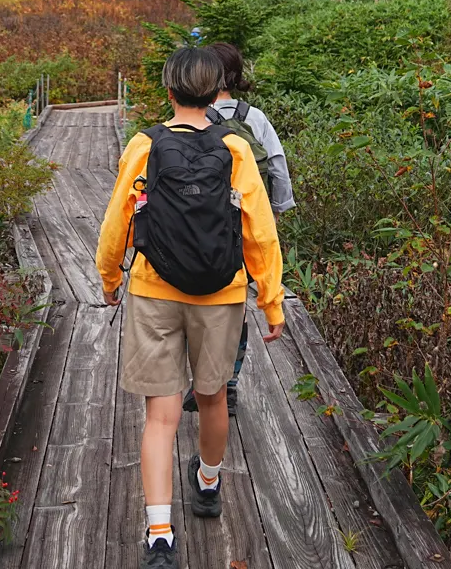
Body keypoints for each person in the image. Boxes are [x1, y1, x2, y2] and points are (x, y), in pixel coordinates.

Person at [95, 45, 285, 569]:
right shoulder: (235, 148)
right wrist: (271, 302)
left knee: (159, 415)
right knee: (213, 398)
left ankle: (159, 534)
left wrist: (111, 276)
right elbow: (260, 233)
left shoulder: (143, 144)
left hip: (154, 289)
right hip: (220, 294)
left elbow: (118, 222)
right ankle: (206, 482)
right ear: (217, 91)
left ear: (169, 89)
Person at [183, 41, 292, 416]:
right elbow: (276, 164)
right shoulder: (255, 117)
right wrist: (276, 211)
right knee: (237, 309)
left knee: (197, 305)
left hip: (203, 230)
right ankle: (228, 384)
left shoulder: (196, 117)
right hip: (245, 229)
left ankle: (200, 384)